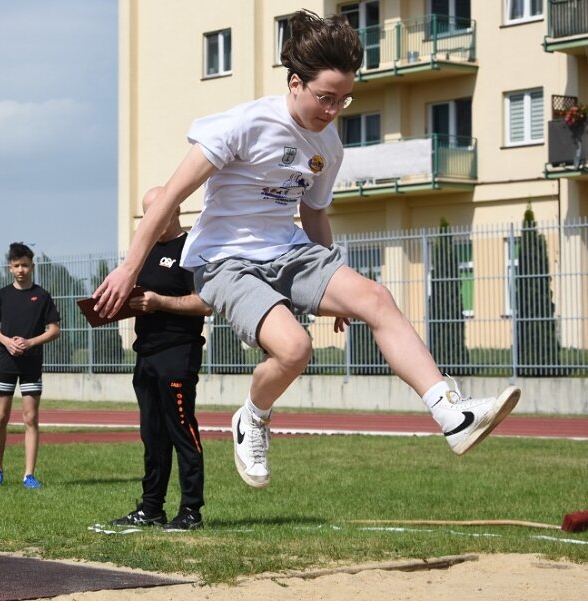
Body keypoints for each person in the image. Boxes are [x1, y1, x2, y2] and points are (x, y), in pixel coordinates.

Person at [92, 10, 521, 490]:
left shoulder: (328, 144)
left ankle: (452, 414)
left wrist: (336, 285)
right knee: (296, 349)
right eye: (325, 97)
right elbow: (169, 197)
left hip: (290, 252)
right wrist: (130, 267)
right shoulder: (244, 124)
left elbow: (314, 213)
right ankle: (252, 417)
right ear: (295, 83)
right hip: (224, 261)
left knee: (375, 298)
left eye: (344, 99)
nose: (334, 110)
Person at [110, 187, 212, 531]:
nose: (147, 222)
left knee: (182, 431)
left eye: (153, 213)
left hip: (177, 355)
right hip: (146, 355)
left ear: (174, 211)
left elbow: (205, 303)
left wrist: (159, 302)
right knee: (151, 435)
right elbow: (139, 297)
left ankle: (191, 511)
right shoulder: (145, 251)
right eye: (144, 215)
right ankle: (151, 507)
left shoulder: (193, 250)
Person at [0, 242, 61, 489]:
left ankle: (29, 474)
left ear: (32, 266)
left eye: (25, 265)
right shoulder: (1, 295)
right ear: (10, 268)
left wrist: (30, 342)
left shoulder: (42, 296)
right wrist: (7, 341)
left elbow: (54, 330)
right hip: (6, 362)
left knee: (30, 418)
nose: (21, 270)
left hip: (31, 364)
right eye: (16, 265)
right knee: (0, 417)